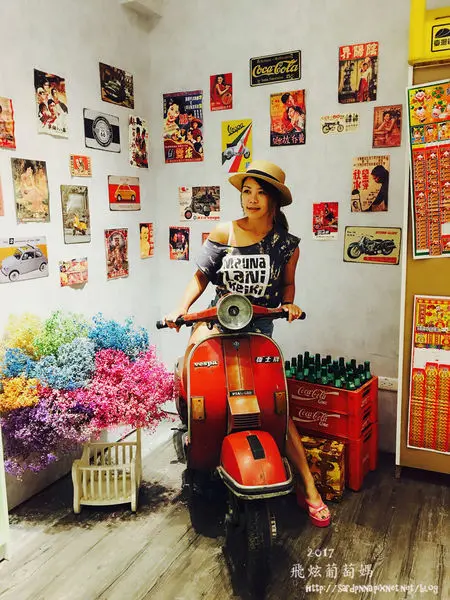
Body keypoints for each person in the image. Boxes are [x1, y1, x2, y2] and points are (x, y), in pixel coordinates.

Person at [164, 160, 331, 527]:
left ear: (274, 200)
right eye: (247, 192)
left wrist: (289, 304)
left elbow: (287, 285)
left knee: (275, 407)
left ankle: (308, 487)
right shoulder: (224, 232)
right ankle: (195, 437)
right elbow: (200, 277)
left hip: (259, 329)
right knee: (192, 370)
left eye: (260, 193)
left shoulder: (286, 245)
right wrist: (181, 309)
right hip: (218, 320)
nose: (251, 199)